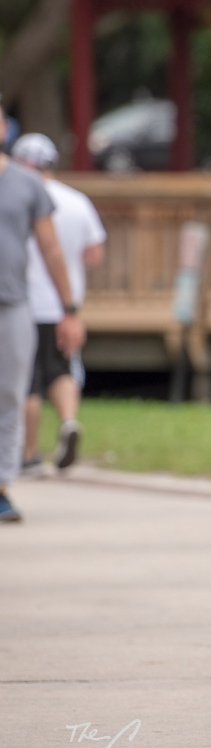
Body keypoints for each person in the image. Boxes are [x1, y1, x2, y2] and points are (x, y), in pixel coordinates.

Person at [0, 108, 85, 522]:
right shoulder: (60, 193)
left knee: (13, 393)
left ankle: (2, 484)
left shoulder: (25, 184)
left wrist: (69, 310)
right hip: (26, 305)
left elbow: (51, 250)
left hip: (15, 304)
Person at [12, 134, 106, 474]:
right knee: (62, 370)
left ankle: (30, 453)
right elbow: (94, 253)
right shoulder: (77, 201)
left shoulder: (18, 196)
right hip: (65, 305)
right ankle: (67, 421)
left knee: (28, 382)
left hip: (23, 303)